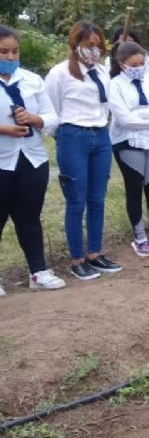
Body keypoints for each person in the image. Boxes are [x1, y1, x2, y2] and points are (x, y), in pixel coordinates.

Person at [45, 21, 123, 280]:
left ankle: (95, 254)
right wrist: (65, 136)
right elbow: (51, 110)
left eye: (98, 46)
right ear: (76, 45)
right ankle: (77, 259)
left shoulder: (101, 72)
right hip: (73, 135)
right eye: (89, 45)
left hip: (100, 136)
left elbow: (106, 106)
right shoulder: (59, 73)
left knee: (97, 200)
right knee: (76, 201)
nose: (94, 51)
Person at [0, 24, 66, 291]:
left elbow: (52, 118)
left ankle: (38, 272)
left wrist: (34, 118)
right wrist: (4, 129)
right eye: (3, 52)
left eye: (15, 51)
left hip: (32, 159)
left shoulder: (31, 80)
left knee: (29, 217)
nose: (10, 57)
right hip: (2, 160)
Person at [108, 42, 149, 257]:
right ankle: (140, 238)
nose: (138, 67)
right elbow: (124, 119)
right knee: (134, 189)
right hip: (128, 142)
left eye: (141, 63)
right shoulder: (116, 85)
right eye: (133, 64)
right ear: (122, 64)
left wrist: (142, 115)